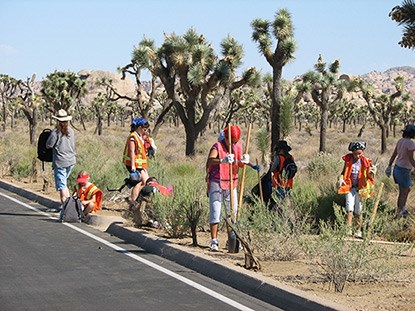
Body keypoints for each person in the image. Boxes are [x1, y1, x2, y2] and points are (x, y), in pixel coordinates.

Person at [205, 125, 260, 251]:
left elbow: (239, 163)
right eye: (232, 141)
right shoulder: (217, 146)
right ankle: (214, 240)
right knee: (216, 211)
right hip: (217, 182)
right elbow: (210, 161)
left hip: (231, 183)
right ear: (226, 137)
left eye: (235, 142)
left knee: (233, 212)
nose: (234, 143)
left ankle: (232, 240)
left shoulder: (238, 146)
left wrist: (247, 163)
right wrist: (222, 160)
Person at [337, 141, 375, 238]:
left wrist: (372, 172)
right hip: (350, 188)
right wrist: (340, 179)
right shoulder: (348, 160)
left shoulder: (366, 161)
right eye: (355, 154)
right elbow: (343, 172)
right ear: (352, 152)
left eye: (360, 153)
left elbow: (370, 176)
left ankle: (358, 230)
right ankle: (348, 230)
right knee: (349, 208)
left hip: (361, 189)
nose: (357, 156)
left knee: (359, 210)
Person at [46, 109, 76, 205]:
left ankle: (67, 207)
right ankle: (65, 207)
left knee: (62, 186)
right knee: (64, 183)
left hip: (60, 162)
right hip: (71, 160)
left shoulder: (56, 133)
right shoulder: (71, 131)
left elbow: (49, 145)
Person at [385, 124, 415, 218]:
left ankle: (402, 209)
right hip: (404, 170)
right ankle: (400, 213)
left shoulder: (400, 141)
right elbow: (410, 158)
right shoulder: (411, 144)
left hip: (397, 168)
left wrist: (389, 165)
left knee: (406, 190)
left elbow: (394, 154)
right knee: (403, 192)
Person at [123, 117, 150, 209]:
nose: (145, 131)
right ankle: (133, 203)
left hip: (139, 164)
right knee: (138, 182)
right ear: (139, 127)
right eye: (144, 129)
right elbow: (132, 151)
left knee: (145, 182)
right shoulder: (133, 136)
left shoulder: (139, 136)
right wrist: (133, 165)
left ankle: (134, 200)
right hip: (133, 164)